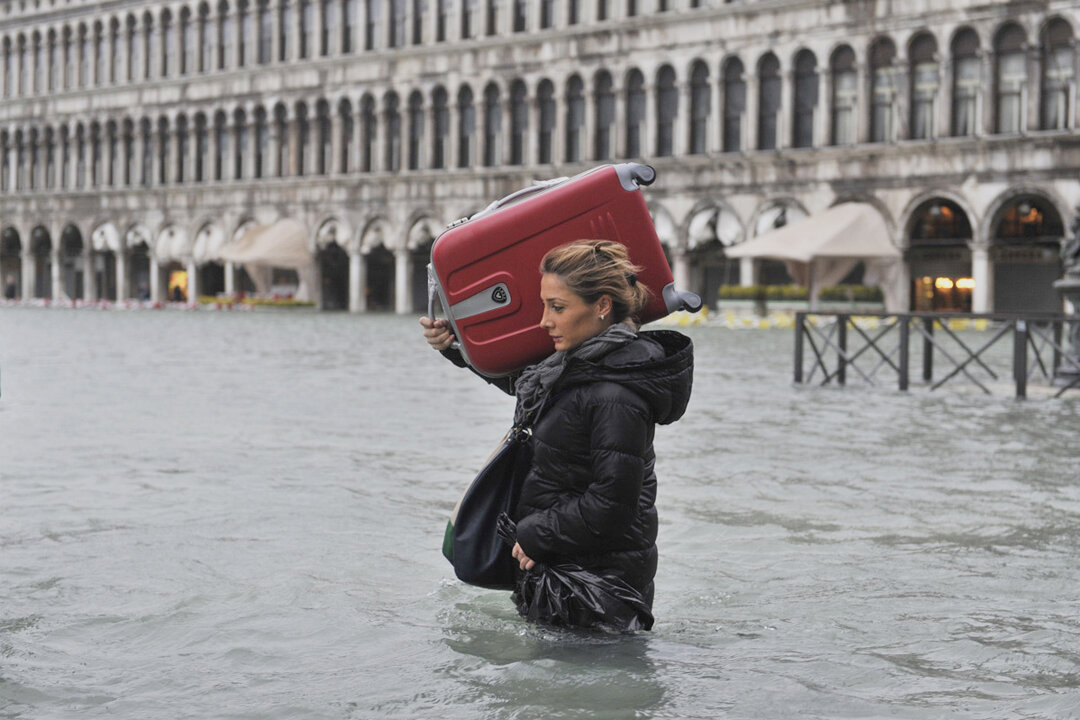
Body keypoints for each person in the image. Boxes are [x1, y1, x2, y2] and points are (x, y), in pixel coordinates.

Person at [421, 239, 693, 624]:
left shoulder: (617, 393)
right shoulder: (578, 365)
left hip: (596, 590)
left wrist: (535, 533)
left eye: (558, 307)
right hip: (565, 573)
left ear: (601, 306)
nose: (544, 320)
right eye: (545, 305)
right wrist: (457, 348)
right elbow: (529, 388)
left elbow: (614, 502)